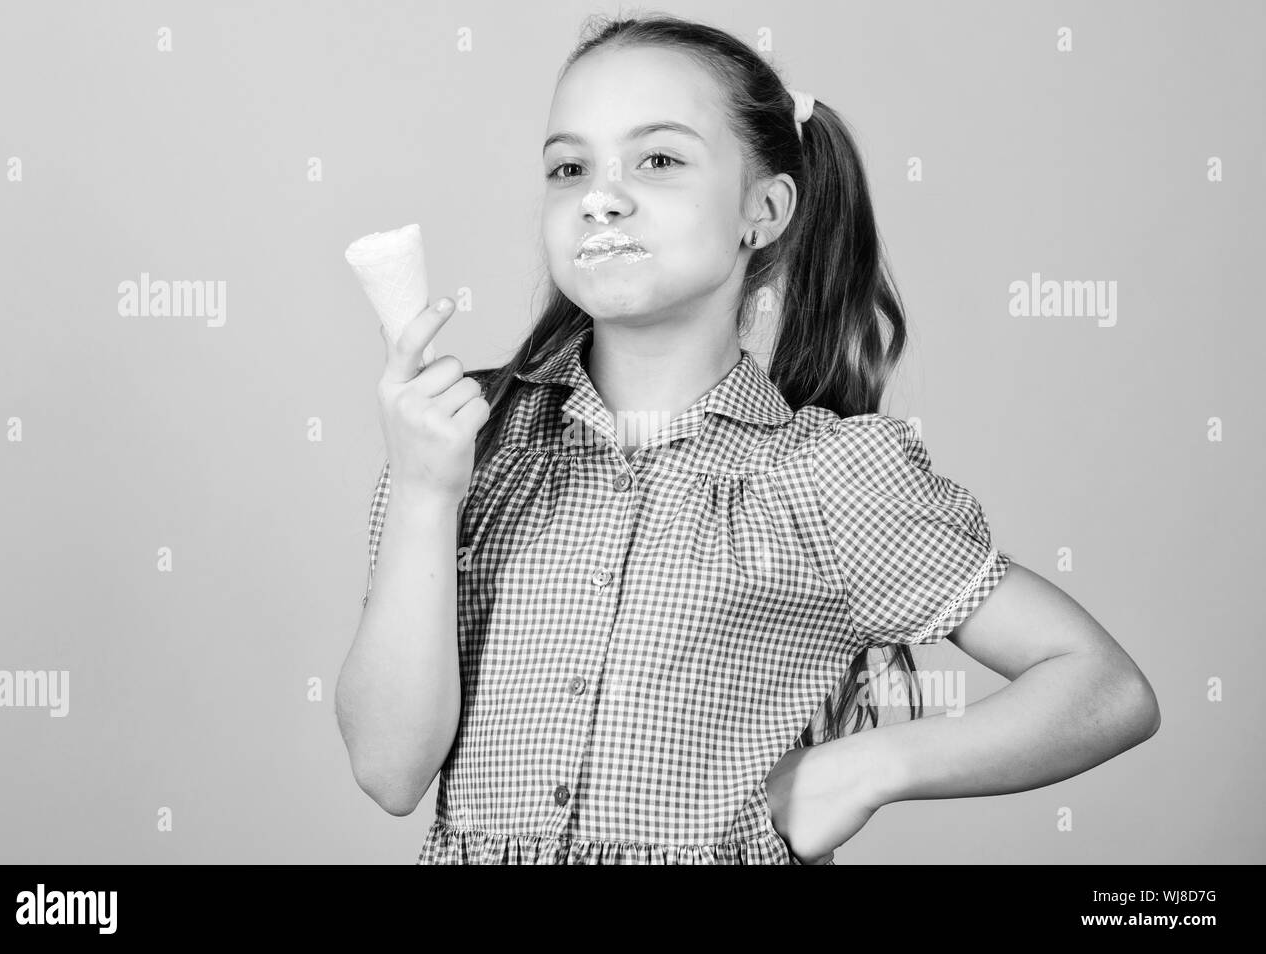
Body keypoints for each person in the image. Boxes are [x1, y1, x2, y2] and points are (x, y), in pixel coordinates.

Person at [335, 13, 1161, 865]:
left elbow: (1105, 688)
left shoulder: (823, 479)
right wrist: (424, 492)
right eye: (568, 167)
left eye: (658, 159)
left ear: (762, 211)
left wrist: (863, 769)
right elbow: (390, 772)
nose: (599, 195)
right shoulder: (467, 444)